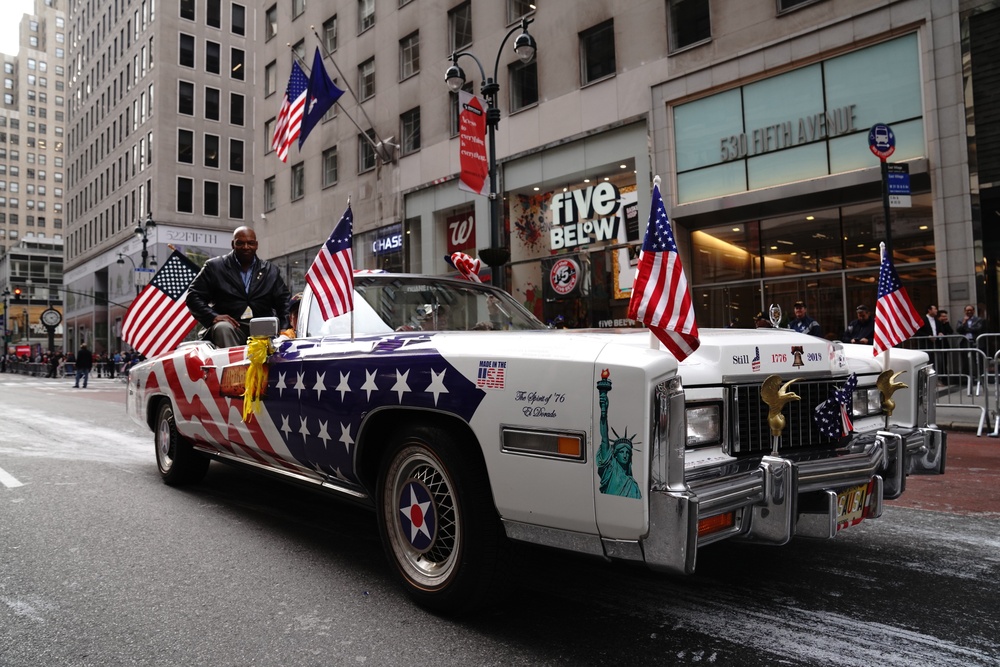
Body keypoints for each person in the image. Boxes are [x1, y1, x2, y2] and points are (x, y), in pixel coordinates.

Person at [186, 227, 290, 348]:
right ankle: (234, 366)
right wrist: (213, 316)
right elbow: (193, 296)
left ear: (256, 245)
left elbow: (284, 301)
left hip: (263, 328)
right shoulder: (215, 267)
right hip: (232, 326)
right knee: (223, 328)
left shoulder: (270, 270)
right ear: (233, 244)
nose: (246, 247)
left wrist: (284, 328)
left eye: (250, 243)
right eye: (240, 243)